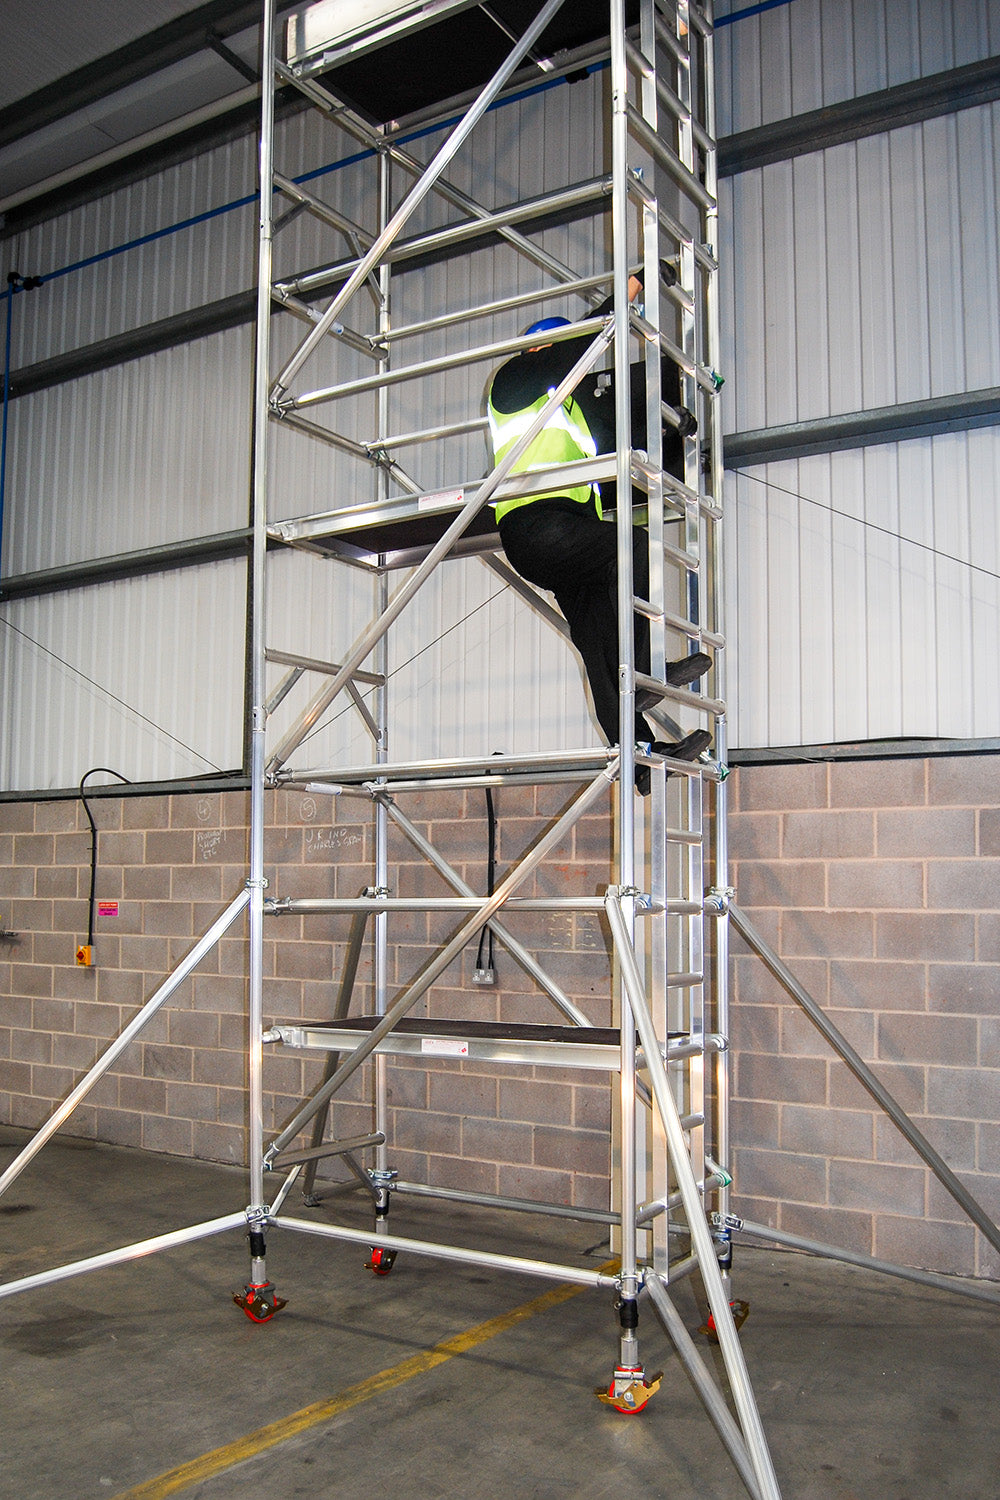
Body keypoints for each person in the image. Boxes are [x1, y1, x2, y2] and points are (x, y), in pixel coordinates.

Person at [486, 276, 711, 785]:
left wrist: (674, 425)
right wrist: (632, 287)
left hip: (564, 533)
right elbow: (586, 344)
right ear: (544, 346)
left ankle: (640, 754)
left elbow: (613, 449)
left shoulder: (569, 414)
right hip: (535, 526)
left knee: (594, 637)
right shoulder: (516, 381)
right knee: (630, 545)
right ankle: (647, 669)